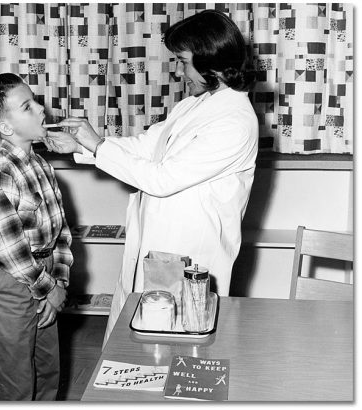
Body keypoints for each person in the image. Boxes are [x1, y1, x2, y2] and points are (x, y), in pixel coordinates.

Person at [44, 9, 258, 345]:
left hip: (190, 249)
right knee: (138, 335)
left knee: (174, 340)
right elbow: (146, 145)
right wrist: (81, 144)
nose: (180, 70)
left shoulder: (234, 122)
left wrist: (98, 146)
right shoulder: (195, 105)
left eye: (184, 61)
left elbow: (162, 179)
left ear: (210, 60)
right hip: (159, 241)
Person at [0, 73, 73, 400]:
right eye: (28, 106)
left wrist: (59, 282)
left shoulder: (42, 165)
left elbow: (60, 231)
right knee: (15, 379)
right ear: (6, 128)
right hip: (11, 284)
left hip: (43, 277)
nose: (41, 108)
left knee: (48, 369)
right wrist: (48, 290)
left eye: (35, 101)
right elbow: (10, 250)